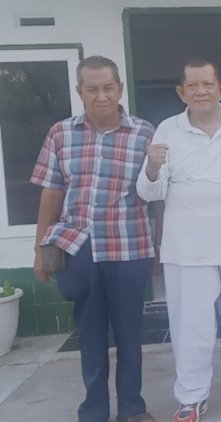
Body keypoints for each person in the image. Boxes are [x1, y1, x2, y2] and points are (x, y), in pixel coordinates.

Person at [136, 59, 221, 422]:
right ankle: (191, 397)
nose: (201, 91)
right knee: (190, 326)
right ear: (181, 92)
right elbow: (150, 193)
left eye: (208, 84)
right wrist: (152, 166)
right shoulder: (167, 129)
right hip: (186, 247)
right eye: (192, 86)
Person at [30, 55, 156, 422]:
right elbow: (51, 193)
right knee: (90, 334)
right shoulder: (60, 134)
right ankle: (94, 410)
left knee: (130, 333)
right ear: (79, 91)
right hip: (78, 247)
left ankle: (132, 408)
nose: (101, 96)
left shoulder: (145, 134)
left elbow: (158, 194)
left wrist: (160, 247)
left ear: (120, 88)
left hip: (129, 245)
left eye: (108, 88)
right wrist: (40, 249)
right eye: (92, 89)